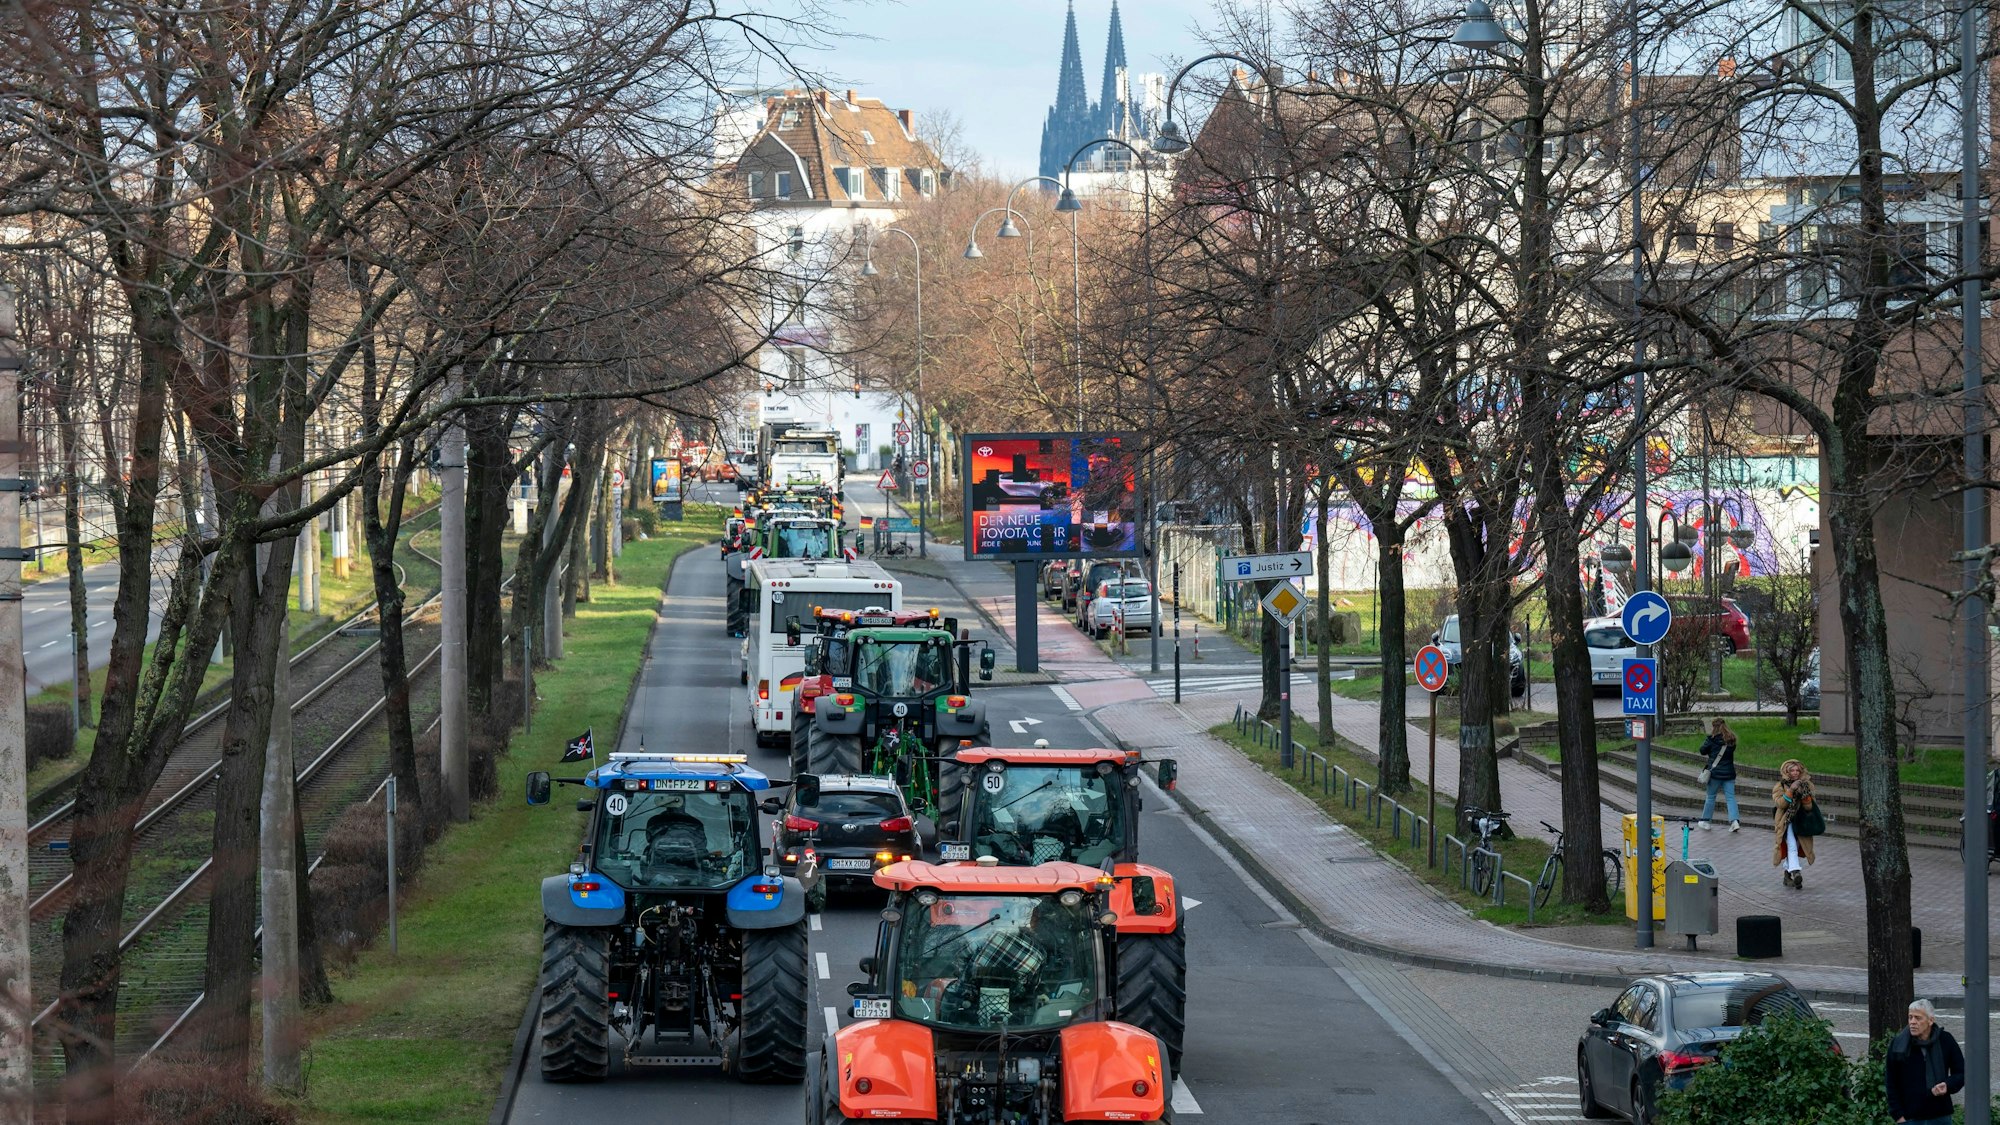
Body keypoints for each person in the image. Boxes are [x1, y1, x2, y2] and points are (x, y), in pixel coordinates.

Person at [1885, 998, 1965, 1125]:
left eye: (1918, 1018)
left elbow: (1961, 1073)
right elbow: (1891, 1082)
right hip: (1910, 1118)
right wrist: (1898, 1116)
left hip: (1940, 1116)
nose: (1912, 1022)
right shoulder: (1898, 1045)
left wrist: (1948, 1085)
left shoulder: (1945, 1040)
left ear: (1930, 1020)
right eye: (1910, 1017)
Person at [1771, 759, 1815, 888]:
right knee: (1791, 845)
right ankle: (1796, 872)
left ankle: (1787, 875)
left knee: (1797, 845)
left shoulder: (1807, 785)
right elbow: (1780, 804)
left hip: (1802, 820)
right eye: (1792, 770)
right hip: (1786, 821)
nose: (1795, 773)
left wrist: (1804, 795)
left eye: (1797, 770)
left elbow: (1809, 807)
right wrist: (1790, 790)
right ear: (1786, 772)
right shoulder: (1780, 785)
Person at [1697, 719, 1741, 831]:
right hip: (1729, 774)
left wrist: (1710, 744)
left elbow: (1702, 750)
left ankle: (1706, 821)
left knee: (1711, 797)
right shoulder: (1731, 740)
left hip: (1715, 774)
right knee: (1730, 797)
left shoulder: (1712, 740)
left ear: (1714, 727)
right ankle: (1734, 821)